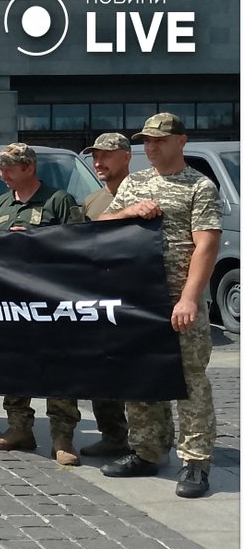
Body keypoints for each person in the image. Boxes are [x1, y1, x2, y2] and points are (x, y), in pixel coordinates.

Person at [98, 112, 222, 499]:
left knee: (189, 382)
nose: (151, 147)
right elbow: (103, 223)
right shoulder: (135, 182)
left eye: (159, 141)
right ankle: (148, 451)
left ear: (181, 141)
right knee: (141, 377)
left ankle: (196, 461)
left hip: (178, 300)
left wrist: (189, 297)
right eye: (146, 142)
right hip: (138, 298)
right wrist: (128, 212)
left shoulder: (198, 186)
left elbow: (207, 244)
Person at [0, 143, 84, 465]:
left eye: (10, 167)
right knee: (14, 363)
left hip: (52, 300)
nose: (3, 174)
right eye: (1, 167)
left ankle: (62, 437)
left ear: (29, 167)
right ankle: (19, 429)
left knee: (59, 366)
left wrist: (34, 238)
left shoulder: (59, 201)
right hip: (13, 300)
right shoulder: (0, 204)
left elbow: (79, 246)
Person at [79, 132, 173, 458]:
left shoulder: (148, 191)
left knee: (143, 373)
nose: (98, 162)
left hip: (138, 298)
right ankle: (112, 434)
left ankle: (152, 441)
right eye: (95, 156)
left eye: (106, 155)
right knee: (100, 369)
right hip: (99, 298)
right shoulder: (91, 201)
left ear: (126, 157)